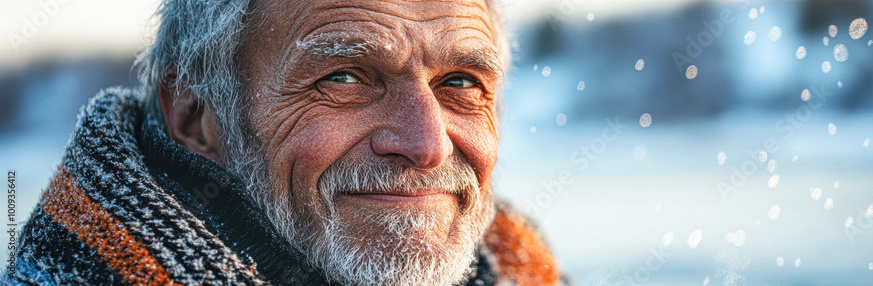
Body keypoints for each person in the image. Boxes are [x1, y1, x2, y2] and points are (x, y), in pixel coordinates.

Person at [6, 0, 564, 285]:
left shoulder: (522, 271)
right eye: (344, 77)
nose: (427, 144)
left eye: (462, 84)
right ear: (197, 117)